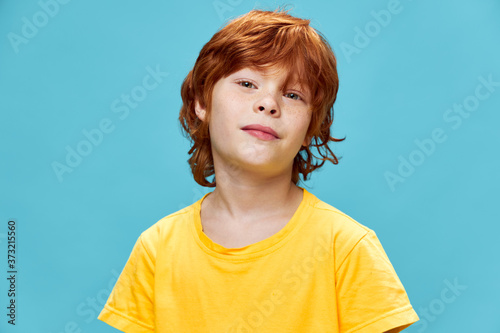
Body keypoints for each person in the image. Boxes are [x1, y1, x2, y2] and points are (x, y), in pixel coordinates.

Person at [98, 7, 419, 332]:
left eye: (293, 94)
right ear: (202, 103)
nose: (268, 103)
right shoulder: (157, 248)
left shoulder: (346, 248)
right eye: (248, 83)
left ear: (311, 128)